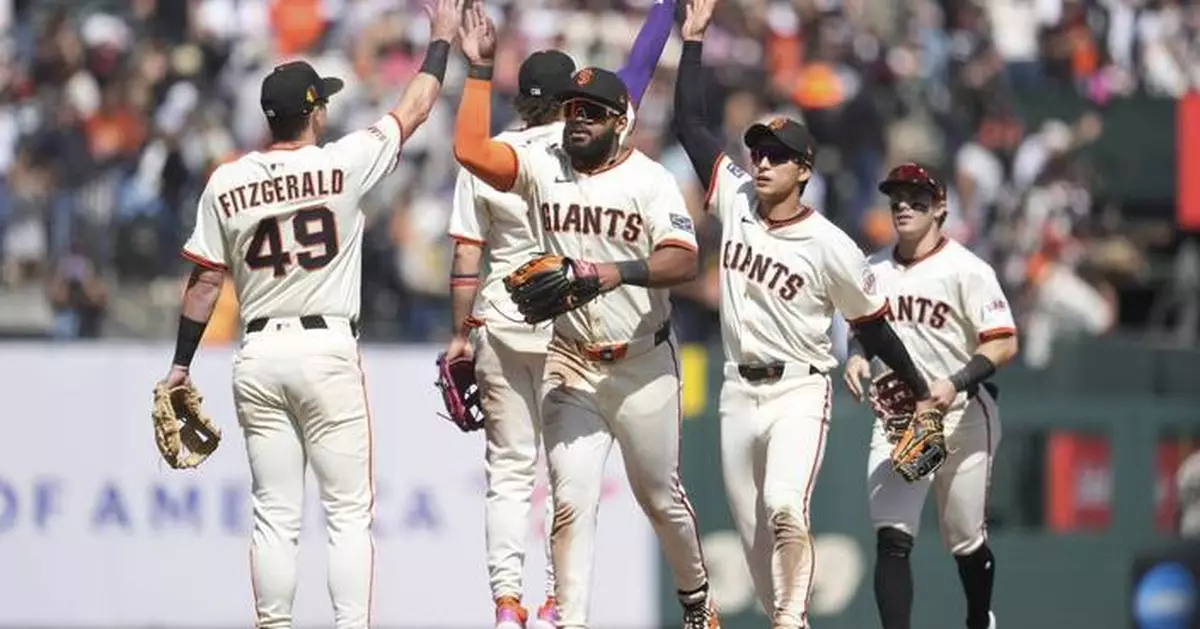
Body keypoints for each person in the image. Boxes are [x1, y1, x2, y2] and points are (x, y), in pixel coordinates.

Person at [154, 1, 464, 626]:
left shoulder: (227, 182)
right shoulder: (340, 163)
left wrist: (181, 366)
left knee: (274, 512)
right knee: (347, 512)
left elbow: (204, 284)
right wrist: (439, 41)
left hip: (259, 352)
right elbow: (415, 108)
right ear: (315, 112)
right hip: (325, 349)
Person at [671, 2, 943, 628]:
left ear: (804, 170)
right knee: (754, 543)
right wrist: (692, 40)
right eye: (758, 152)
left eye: (776, 156)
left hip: (799, 387)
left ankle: (791, 621)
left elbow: (872, 323)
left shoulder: (832, 245)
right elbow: (689, 123)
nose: (762, 163)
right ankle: (785, 617)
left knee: (786, 506)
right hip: (737, 388)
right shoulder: (735, 198)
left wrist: (923, 388)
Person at [451, 5, 719, 629]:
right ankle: (567, 619)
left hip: (643, 362)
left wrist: (611, 273)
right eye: (572, 109)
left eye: (593, 111)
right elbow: (469, 150)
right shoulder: (542, 162)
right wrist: (481, 69)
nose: (578, 120)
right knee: (569, 503)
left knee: (662, 502)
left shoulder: (649, 181)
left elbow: (684, 262)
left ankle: (697, 600)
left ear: (620, 121)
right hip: (570, 361)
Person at [842, 163, 1019, 629]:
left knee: (965, 539)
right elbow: (865, 330)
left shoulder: (967, 269)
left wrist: (954, 382)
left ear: (940, 207)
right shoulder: (873, 269)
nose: (903, 205)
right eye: (896, 197)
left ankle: (980, 619)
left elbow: (1003, 342)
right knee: (892, 536)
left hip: (962, 416)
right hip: (902, 419)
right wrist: (857, 356)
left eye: (916, 197)